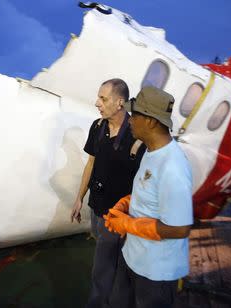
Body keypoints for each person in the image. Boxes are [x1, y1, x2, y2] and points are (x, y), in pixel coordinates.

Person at [104, 86, 193, 308]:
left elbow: (180, 229)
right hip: (133, 257)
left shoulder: (173, 165)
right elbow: (150, 192)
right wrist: (127, 202)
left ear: (151, 122)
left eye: (135, 116)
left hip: (156, 273)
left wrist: (128, 224)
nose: (130, 120)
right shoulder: (151, 151)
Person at [70, 79, 145, 308]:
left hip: (118, 215)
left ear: (120, 102)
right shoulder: (97, 126)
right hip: (97, 205)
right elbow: (90, 164)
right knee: (106, 257)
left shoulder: (138, 134)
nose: (97, 103)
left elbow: (145, 180)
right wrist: (79, 197)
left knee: (102, 267)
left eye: (103, 98)